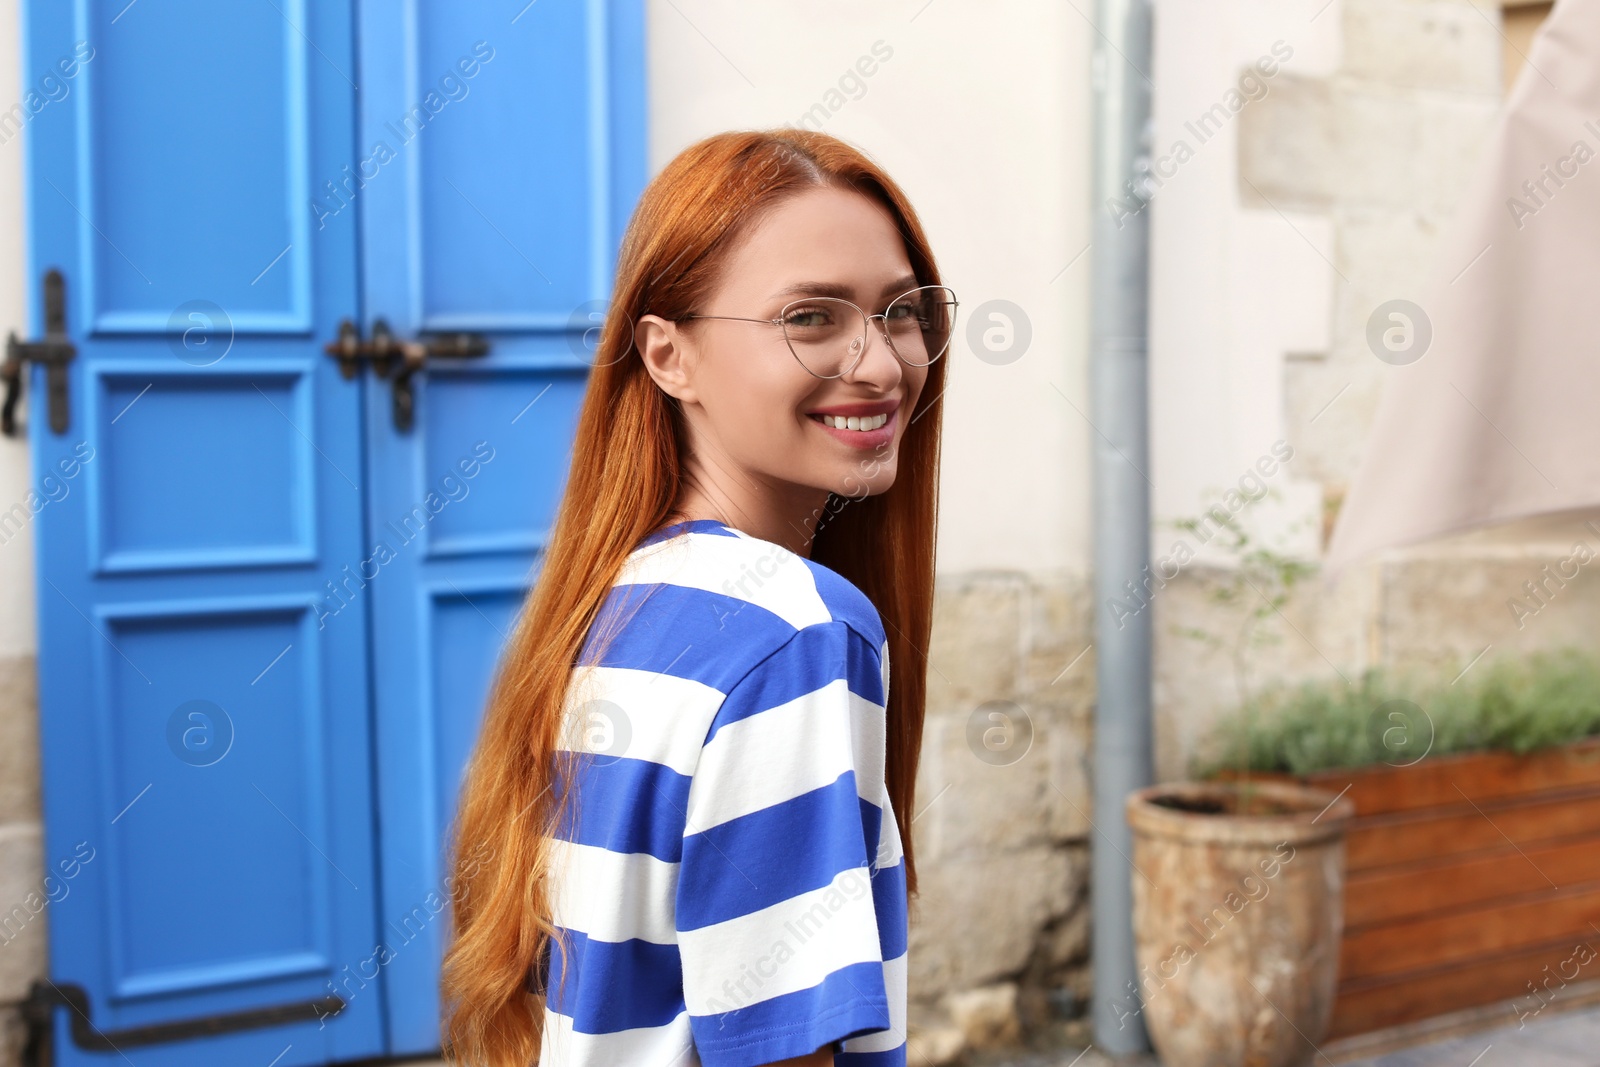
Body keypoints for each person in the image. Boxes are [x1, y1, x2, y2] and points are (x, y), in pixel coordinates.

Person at [441, 128, 954, 1067]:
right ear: (668, 356)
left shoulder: (615, 603)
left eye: (901, 312)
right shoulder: (793, 630)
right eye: (810, 318)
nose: (881, 365)